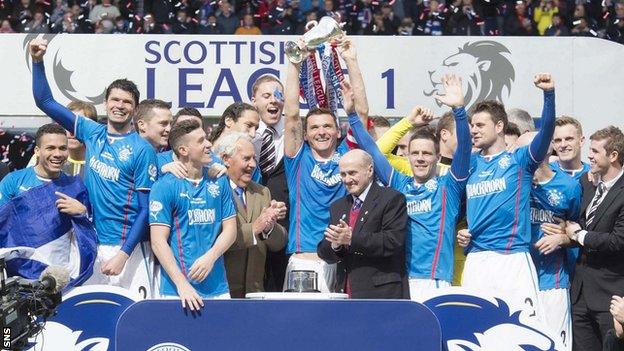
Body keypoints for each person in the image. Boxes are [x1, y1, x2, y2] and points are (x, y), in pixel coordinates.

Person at [30, 38, 158, 298]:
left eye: (126, 102)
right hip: (92, 243)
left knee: (134, 321)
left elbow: (146, 210)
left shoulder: (143, 150)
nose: (119, 106)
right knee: (92, 315)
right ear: (106, 103)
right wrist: (38, 61)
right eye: (115, 100)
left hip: (129, 250)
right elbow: (45, 101)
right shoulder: (92, 132)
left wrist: (124, 254)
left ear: (134, 109)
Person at [345, 75, 471, 301]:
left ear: (437, 156)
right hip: (400, 281)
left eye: (426, 153)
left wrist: (459, 111)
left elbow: (464, 151)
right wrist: (352, 116)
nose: (420, 159)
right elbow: (372, 152)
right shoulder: (399, 184)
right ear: (408, 156)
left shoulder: (448, 187)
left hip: (436, 280)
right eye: (415, 153)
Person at [460, 73, 556, 317]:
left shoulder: (519, 160)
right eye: (472, 125)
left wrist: (549, 95)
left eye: (480, 125)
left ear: (499, 126)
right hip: (477, 259)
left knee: (522, 333)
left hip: (511, 259)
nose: (474, 130)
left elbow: (546, 133)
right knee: (474, 331)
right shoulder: (469, 164)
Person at [281, 37, 369, 292]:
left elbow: (361, 114)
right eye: (315, 127)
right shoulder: (298, 157)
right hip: (305, 259)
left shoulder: (348, 155)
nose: (321, 132)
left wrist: (351, 60)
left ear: (337, 131)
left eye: (327, 126)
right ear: (305, 134)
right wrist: (295, 62)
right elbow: (292, 114)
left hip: (344, 257)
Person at [149, 119, 237, 310]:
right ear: (183, 151)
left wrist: (210, 257)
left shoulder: (219, 181)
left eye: (206, 139)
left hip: (218, 287)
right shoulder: (165, 186)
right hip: (177, 291)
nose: (208, 144)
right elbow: (158, 241)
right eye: (200, 141)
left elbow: (231, 230)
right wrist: (182, 285)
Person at [317, 149, 409, 298]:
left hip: (380, 294)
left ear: (370, 170)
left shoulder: (391, 199)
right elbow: (324, 252)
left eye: (352, 173)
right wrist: (336, 245)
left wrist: (351, 239)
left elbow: (393, 241)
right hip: (344, 294)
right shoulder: (338, 206)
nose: (347, 179)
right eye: (343, 174)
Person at [564, 126, 624, 351]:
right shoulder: (586, 185)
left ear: (613, 156)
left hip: (611, 297)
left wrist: (579, 235)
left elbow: (617, 241)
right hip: (580, 295)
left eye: (596, 151)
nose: (589, 156)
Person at [522, 131, 581, 351]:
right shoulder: (515, 185)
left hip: (552, 281)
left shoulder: (569, 186)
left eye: (524, 150)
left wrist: (564, 238)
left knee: (554, 345)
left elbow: (579, 231)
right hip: (521, 278)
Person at [213, 133, 287, 298]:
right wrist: (254, 228)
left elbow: (279, 243)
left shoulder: (262, 192)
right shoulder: (212, 191)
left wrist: (269, 227)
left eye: (254, 158)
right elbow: (212, 238)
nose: (253, 164)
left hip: (255, 292)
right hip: (222, 291)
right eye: (246, 158)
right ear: (226, 158)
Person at [0, 123, 88, 217]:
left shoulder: (74, 186)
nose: (57, 154)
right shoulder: (13, 181)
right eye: (50, 148)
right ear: (37, 151)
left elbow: (89, 225)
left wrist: (83, 212)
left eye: (62, 148)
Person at [550, 116, 590, 180]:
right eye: (558, 140)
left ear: (581, 141)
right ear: (553, 145)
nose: (563, 145)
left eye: (569, 139)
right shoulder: (545, 174)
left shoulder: (594, 174)